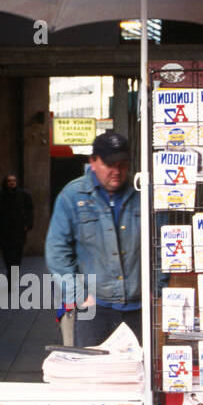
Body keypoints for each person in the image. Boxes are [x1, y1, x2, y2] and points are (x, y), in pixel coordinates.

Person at [46, 130, 141, 348]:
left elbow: (162, 246)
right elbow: (56, 251)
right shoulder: (72, 196)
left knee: (137, 376)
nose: (117, 171)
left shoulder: (141, 194)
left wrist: (159, 291)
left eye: (123, 164)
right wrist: (79, 294)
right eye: (110, 165)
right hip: (94, 309)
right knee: (93, 376)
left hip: (139, 309)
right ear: (93, 161)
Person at [0, 173, 33, 276]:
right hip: (3, 231)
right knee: (7, 255)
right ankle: (11, 274)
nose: (12, 183)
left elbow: (30, 211)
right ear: (5, 182)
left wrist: (28, 224)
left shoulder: (24, 196)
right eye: (9, 181)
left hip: (18, 230)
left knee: (17, 255)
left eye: (14, 181)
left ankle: (13, 277)